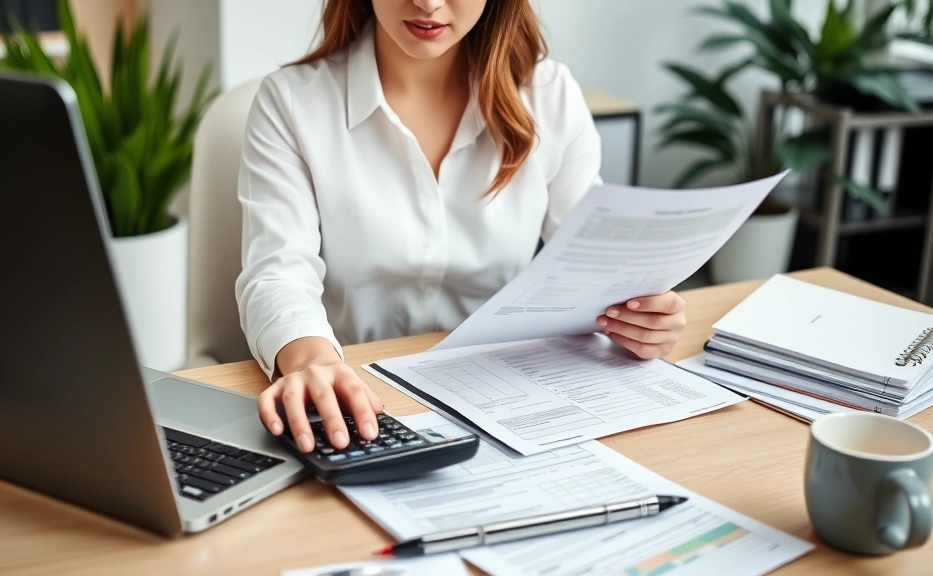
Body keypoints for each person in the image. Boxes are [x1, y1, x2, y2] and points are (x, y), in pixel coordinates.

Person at [238, 0, 687, 454]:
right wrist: (311, 362)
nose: (428, 3)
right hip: (362, 398)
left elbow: (594, 265)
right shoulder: (293, 102)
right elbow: (277, 271)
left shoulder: (550, 96)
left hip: (509, 398)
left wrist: (639, 314)